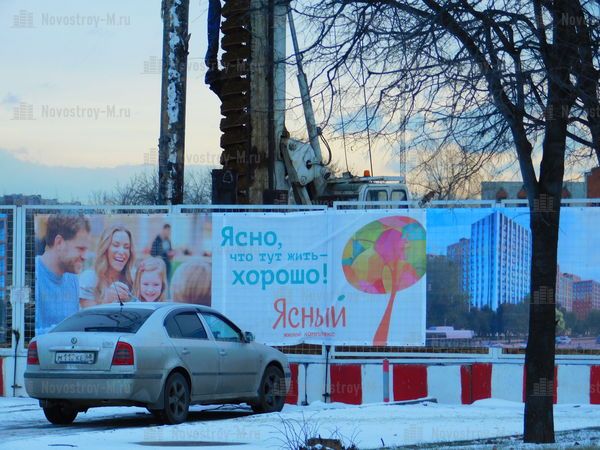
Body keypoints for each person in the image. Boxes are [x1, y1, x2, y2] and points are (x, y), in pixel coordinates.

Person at [35, 214, 90, 335]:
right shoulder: (33, 274)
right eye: (80, 248)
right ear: (59, 243)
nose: (85, 256)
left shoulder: (72, 277)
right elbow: (25, 333)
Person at [79, 224, 135, 307]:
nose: (122, 252)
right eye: (116, 245)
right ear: (105, 249)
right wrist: (107, 299)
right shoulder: (88, 279)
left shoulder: (133, 279)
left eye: (126, 247)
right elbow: (89, 314)